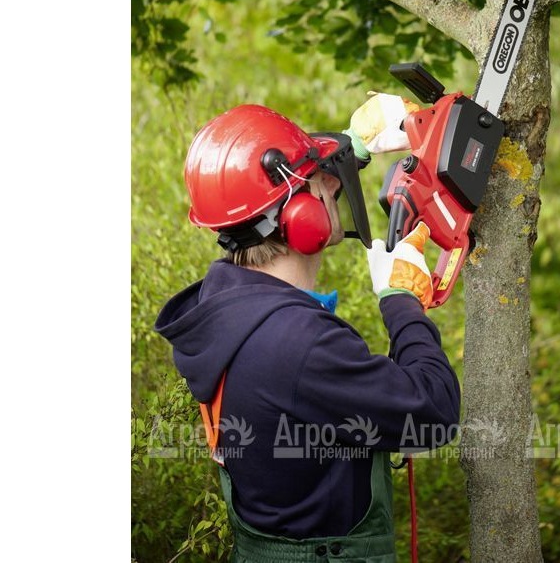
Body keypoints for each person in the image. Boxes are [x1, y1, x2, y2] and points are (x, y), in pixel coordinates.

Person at [154, 94, 461, 562]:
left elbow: (281, 190)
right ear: (302, 216)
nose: (334, 187)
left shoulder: (224, 310)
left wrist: (356, 145)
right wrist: (401, 302)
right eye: (324, 183)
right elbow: (434, 413)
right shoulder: (300, 344)